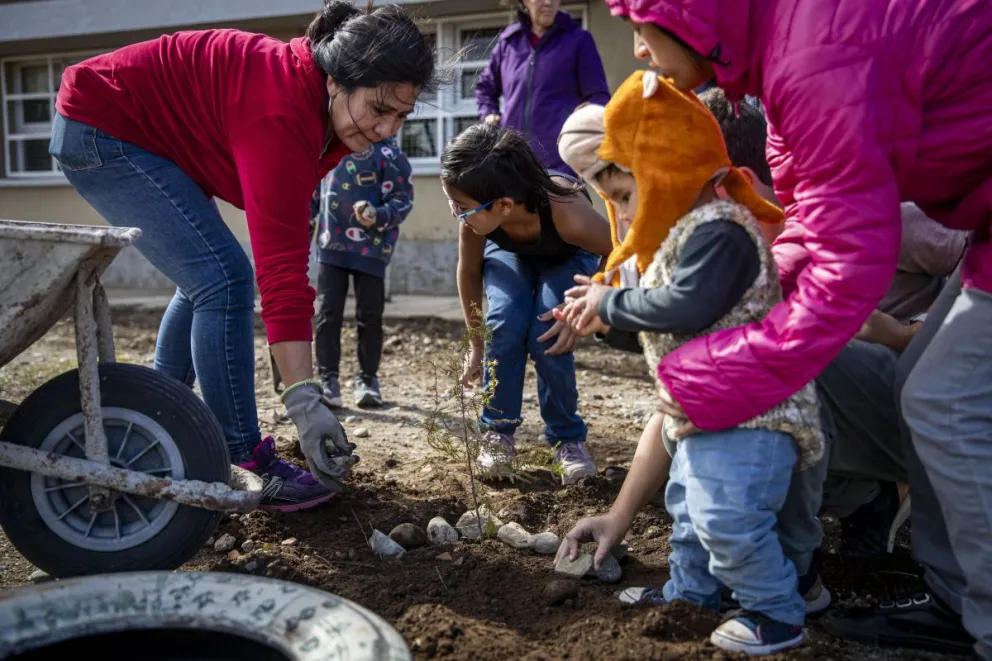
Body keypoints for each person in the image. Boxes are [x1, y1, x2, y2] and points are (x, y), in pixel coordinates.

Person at [604, 1, 992, 656]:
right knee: (923, 383)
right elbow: (813, 218)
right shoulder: (788, 53)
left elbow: (846, 271)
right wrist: (747, 294)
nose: (640, 51)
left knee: (943, 398)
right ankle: (955, 597)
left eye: (640, 28)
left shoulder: (812, 60)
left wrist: (716, 369)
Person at [48, 1, 439, 512]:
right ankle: (239, 459)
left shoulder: (333, 118)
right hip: (104, 125)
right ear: (337, 80)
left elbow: (289, 225)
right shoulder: (281, 107)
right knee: (224, 279)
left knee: (206, 280)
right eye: (380, 109)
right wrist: (305, 401)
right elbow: (280, 274)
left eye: (401, 116)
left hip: (155, 138)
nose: (388, 130)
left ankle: (159, 421)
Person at [556, 70, 824, 655]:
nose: (622, 216)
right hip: (706, 415)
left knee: (725, 518)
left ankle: (777, 612)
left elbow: (690, 304)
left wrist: (615, 301)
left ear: (666, 168)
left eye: (625, 195)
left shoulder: (720, 228)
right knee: (689, 516)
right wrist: (605, 322)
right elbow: (665, 325)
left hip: (753, 419)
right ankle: (690, 598)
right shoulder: (683, 236)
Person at [699, 87, 968, 560]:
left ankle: (796, 569)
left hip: (913, 404)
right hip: (848, 413)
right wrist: (621, 514)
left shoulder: (887, 217)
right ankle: (869, 500)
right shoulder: (756, 251)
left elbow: (975, 284)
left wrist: (902, 334)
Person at [440, 123, 612, 485]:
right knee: (503, 322)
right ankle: (497, 432)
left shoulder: (567, 211)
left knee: (549, 329)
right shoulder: (476, 214)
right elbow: (469, 271)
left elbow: (617, 251)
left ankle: (568, 439)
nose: (456, 212)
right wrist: (476, 345)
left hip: (568, 256)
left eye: (461, 207)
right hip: (509, 253)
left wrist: (591, 299)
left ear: (503, 204)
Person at [311, 137, 413, 409]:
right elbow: (313, 190)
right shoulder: (329, 146)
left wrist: (378, 214)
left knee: (370, 316)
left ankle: (367, 380)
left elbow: (402, 199)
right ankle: (327, 379)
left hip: (372, 249)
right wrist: (305, 221)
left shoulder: (389, 154)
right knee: (327, 313)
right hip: (331, 244)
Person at [475, 0, 610, 174]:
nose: (548, 2)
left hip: (560, 165)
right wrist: (489, 114)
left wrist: (584, 120)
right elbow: (485, 87)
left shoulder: (578, 40)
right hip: (512, 162)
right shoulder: (509, 42)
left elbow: (598, 97)